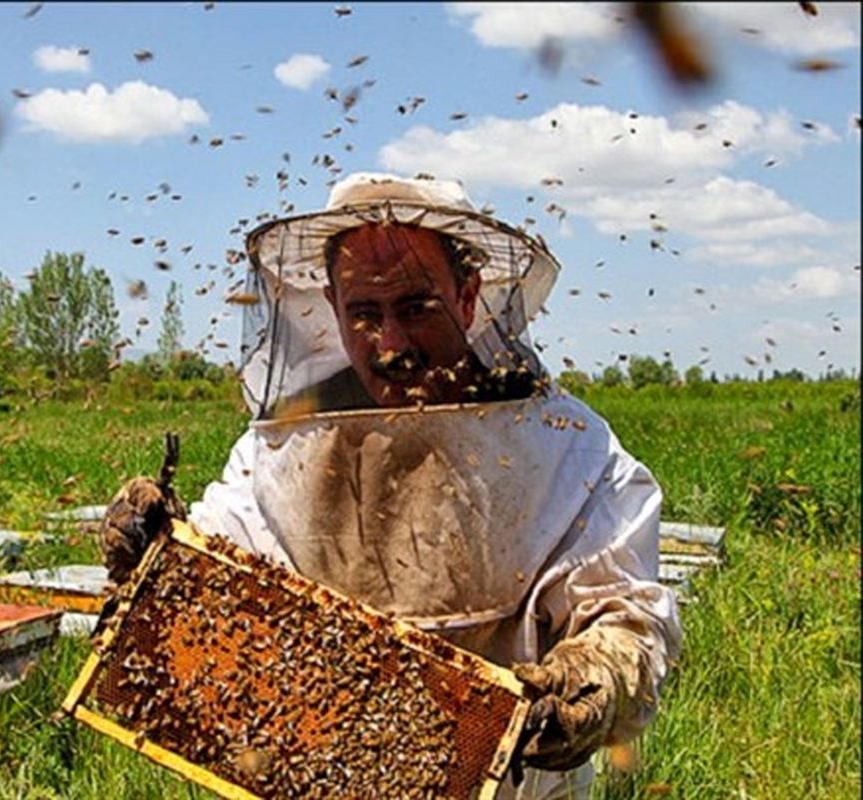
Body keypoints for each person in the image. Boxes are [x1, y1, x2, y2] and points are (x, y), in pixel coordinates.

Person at [100, 172, 681, 799]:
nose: (391, 344)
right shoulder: (284, 449)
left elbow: (629, 617)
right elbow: (215, 565)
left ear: (467, 296)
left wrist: (593, 677)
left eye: (415, 308)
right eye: (365, 313)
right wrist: (152, 547)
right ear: (332, 307)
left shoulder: (569, 448)